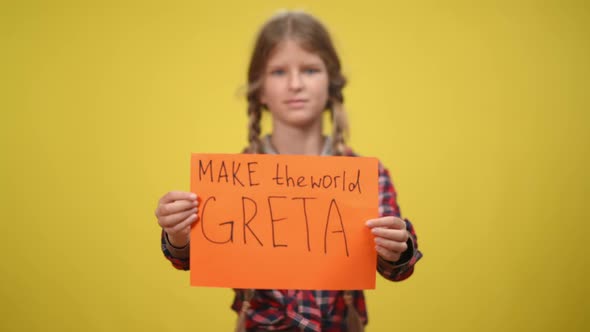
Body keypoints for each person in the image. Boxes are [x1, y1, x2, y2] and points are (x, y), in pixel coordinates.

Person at [155, 10, 422, 332]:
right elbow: (188, 259)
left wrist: (398, 247)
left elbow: (398, 270)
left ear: (331, 83)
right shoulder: (228, 179)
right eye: (279, 72)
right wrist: (178, 235)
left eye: (310, 70)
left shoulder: (367, 176)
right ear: (261, 90)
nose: (295, 84)